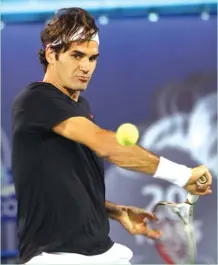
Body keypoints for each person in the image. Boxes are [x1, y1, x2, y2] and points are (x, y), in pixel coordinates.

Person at [11, 7, 212, 265]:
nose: (85, 67)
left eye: (92, 58)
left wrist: (116, 211)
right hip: (55, 258)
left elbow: (68, 185)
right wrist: (183, 175)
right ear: (51, 53)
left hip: (101, 251)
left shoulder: (79, 107)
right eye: (76, 55)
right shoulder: (36, 99)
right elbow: (110, 147)